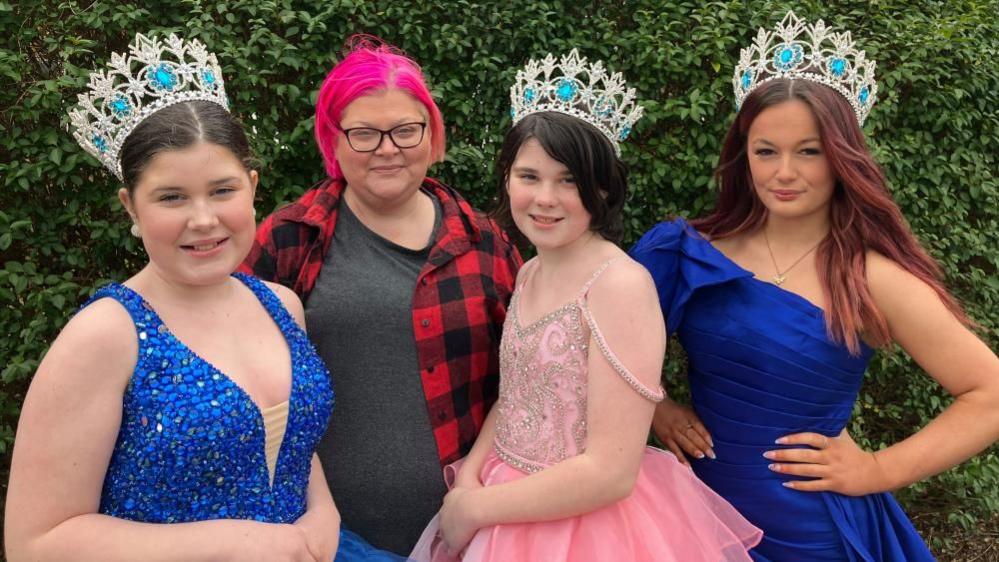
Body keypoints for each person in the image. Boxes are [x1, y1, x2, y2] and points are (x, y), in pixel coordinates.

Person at [5, 33, 401, 561]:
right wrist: (231, 543)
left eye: (222, 190)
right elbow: (36, 543)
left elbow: (292, 446)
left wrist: (323, 510)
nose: (203, 220)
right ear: (131, 206)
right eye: (171, 197)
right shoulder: (105, 335)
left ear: (252, 186)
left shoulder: (281, 305)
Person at [631, 11, 999, 561]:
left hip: (806, 530)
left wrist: (878, 468)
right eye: (766, 151)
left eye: (809, 151)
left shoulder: (872, 276)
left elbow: (989, 394)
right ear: (744, 155)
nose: (784, 172)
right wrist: (656, 407)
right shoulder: (683, 253)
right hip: (694, 516)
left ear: (842, 156)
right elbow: (601, 350)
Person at [409, 49, 762, 562]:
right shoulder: (529, 270)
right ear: (507, 177)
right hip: (504, 499)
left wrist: (479, 508)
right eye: (529, 176)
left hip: (586, 528)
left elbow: (611, 472)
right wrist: (469, 475)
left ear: (602, 186)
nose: (545, 198)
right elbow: (519, 397)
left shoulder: (619, 285)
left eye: (569, 180)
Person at [241, 37, 521, 555]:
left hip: (472, 538)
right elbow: (227, 365)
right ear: (333, 139)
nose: (388, 149)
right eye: (365, 133)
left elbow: (534, 379)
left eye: (406, 130)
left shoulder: (487, 244)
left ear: (432, 134)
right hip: (327, 540)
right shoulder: (290, 239)